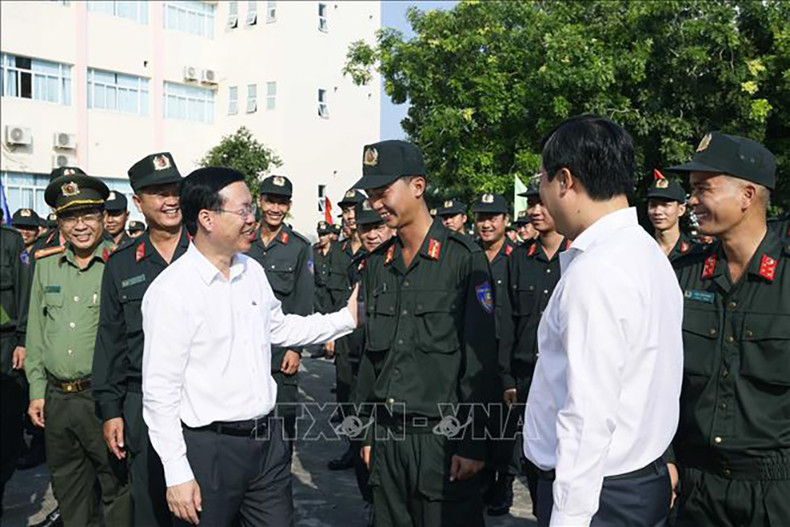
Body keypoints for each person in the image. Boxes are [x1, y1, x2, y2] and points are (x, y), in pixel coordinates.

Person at [141, 167, 358, 526]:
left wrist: (346, 319)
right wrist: (176, 471)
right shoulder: (171, 292)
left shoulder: (252, 272)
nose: (252, 219)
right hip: (209, 451)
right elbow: (159, 392)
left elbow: (281, 326)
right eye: (243, 210)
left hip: (267, 443)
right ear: (207, 218)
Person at [523, 115, 683, 526]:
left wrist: (569, 518)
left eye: (541, 179)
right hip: (637, 479)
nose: (541, 193)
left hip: (597, 495)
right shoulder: (646, 254)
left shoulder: (597, 271)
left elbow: (587, 416)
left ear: (564, 180)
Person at [353, 140, 499, 526]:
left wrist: (473, 442)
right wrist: (366, 433)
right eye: (371, 195)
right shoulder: (377, 266)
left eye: (383, 192)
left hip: (442, 441)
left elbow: (479, 362)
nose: (376, 204)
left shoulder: (464, 260)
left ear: (418, 186)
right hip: (387, 439)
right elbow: (371, 360)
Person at [666, 132, 789, 526]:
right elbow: (657, 379)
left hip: (775, 492)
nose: (692, 201)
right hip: (695, 487)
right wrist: (665, 459)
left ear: (748, 196)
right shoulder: (684, 276)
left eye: (704, 189)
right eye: (691, 190)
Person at [25, 170, 131, 527]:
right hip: (57, 401)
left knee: (117, 492)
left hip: (102, 401)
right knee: (70, 494)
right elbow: (37, 333)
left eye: (88, 215)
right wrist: (37, 391)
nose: (80, 226)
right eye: (70, 217)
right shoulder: (45, 265)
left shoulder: (122, 264)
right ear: (59, 222)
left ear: (104, 218)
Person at [92, 152, 185, 526]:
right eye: (158, 192)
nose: (171, 200)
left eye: (175, 190)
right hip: (141, 400)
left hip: (201, 399)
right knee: (149, 504)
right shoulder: (122, 263)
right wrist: (111, 410)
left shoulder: (208, 251)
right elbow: (110, 341)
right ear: (138, 202)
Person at [506, 180, 571, 518]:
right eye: (531, 203)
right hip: (526, 380)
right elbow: (505, 324)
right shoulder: (518, 259)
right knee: (533, 461)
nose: (534, 210)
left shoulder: (578, 257)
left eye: (541, 202)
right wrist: (508, 378)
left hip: (566, 381)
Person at [245, 174, 314, 447]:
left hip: (280, 354)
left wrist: (295, 348)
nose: (276, 208)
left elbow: (303, 300)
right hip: (244, 352)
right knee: (245, 431)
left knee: (281, 433)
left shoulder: (299, 247)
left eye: (282, 202)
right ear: (260, 201)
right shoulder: (242, 241)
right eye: (270, 201)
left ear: (289, 205)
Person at [470, 193, 517, 516]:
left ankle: (504, 480)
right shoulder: (469, 255)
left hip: (507, 350)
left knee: (506, 423)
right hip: (475, 350)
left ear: (506, 220)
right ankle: (482, 475)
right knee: (478, 417)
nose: (487, 224)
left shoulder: (517, 257)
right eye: (482, 218)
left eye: (494, 217)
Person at [0, 216, 31, 519]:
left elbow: (24, 293)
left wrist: (23, 339)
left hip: (5, 345)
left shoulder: (9, 241)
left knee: (7, 428)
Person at [326, 190, 365, 420]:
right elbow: (333, 294)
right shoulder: (338, 251)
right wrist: (330, 335)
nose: (350, 216)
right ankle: (350, 449)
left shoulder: (375, 248)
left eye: (354, 209)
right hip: (343, 332)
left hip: (366, 332)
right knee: (344, 388)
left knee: (364, 392)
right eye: (346, 211)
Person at [646, 169, 694, 261]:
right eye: (653, 205)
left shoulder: (695, 253)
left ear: (681, 210)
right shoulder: (640, 252)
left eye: (665, 205)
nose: (657, 211)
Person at [313, 220, 333, 315]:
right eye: (320, 235)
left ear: (330, 235)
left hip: (331, 292)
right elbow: (309, 267)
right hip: (317, 292)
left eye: (324, 235)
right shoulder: (313, 250)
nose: (321, 238)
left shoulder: (337, 251)